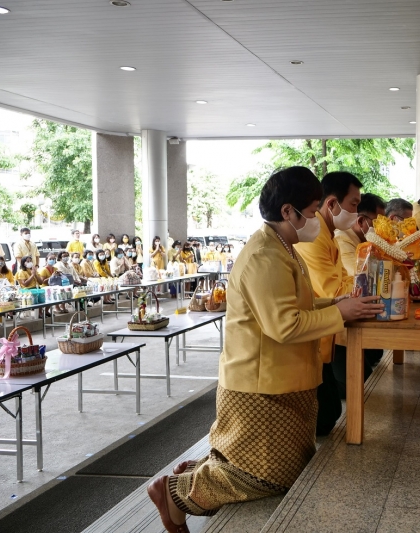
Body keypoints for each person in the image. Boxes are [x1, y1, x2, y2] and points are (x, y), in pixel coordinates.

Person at [148, 167, 384, 531]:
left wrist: (336, 304)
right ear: (288, 212)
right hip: (259, 388)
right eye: (313, 208)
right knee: (269, 477)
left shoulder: (285, 248)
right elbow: (284, 325)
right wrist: (340, 312)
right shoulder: (264, 256)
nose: (318, 217)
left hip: (284, 383)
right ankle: (179, 491)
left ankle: (203, 471)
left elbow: (299, 307)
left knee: (288, 469)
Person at [295, 171, 383, 400]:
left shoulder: (329, 235)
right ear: (331, 203)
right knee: (330, 411)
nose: (356, 214)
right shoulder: (314, 238)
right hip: (312, 329)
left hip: (331, 326)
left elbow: (345, 281)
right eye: (353, 205)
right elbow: (334, 291)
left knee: (359, 380)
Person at [335, 193, 386, 276]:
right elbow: (357, 276)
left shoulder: (363, 240)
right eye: (377, 224)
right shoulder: (342, 238)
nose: (381, 229)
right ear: (361, 221)